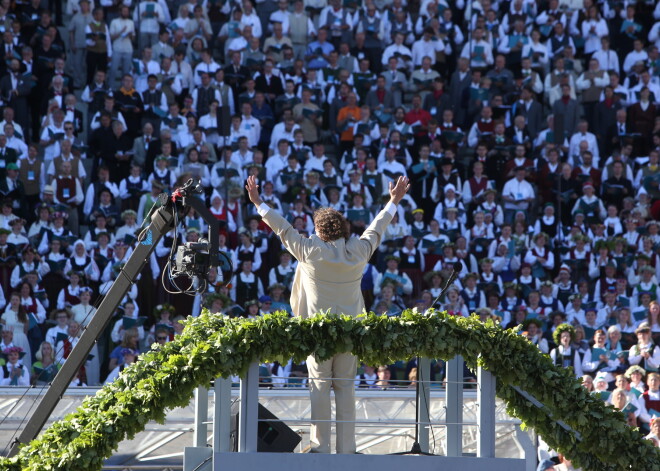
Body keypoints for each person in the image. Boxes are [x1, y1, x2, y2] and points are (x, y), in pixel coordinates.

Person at [244, 174, 410, 454]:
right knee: (346, 390)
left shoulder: (310, 250)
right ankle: (346, 449)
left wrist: (259, 202)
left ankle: (320, 447)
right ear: (344, 230)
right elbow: (377, 228)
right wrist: (393, 200)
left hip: (319, 336)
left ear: (319, 230)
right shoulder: (358, 251)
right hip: (350, 335)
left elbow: (283, 229)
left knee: (320, 388)